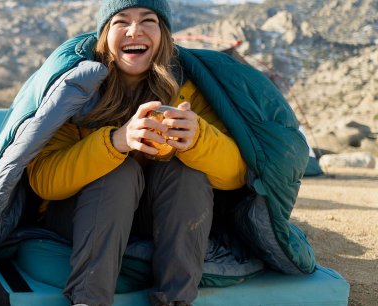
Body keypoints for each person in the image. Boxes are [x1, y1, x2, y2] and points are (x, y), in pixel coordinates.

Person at [26, 1, 247, 305]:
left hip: (151, 216)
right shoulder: (78, 89)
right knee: (119, 172)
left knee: (186, 172)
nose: (135, 31)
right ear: (105, 33)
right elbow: (43, 181)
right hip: (80, 213)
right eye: (121, 21)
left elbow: (236, 176)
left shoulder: (189, 91)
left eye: (148, 20)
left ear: (163, 33)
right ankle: (87, 300)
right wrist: (115, 142)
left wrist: (199, 139)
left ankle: (175, 300)